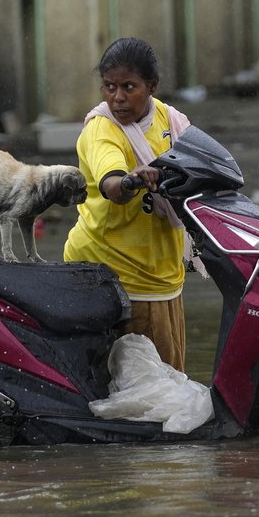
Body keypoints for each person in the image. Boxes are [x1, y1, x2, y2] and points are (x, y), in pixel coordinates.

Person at [63, 37, 190, 372]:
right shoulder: (102, 130)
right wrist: (132, 179)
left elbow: (199, 163)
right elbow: (112, 184)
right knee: (148, 394)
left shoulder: (170, 119)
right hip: (119, 276)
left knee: (169, 380)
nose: (117, 97)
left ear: (152, 86)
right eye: (109, 86)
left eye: (128, 87)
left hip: (163, 272)